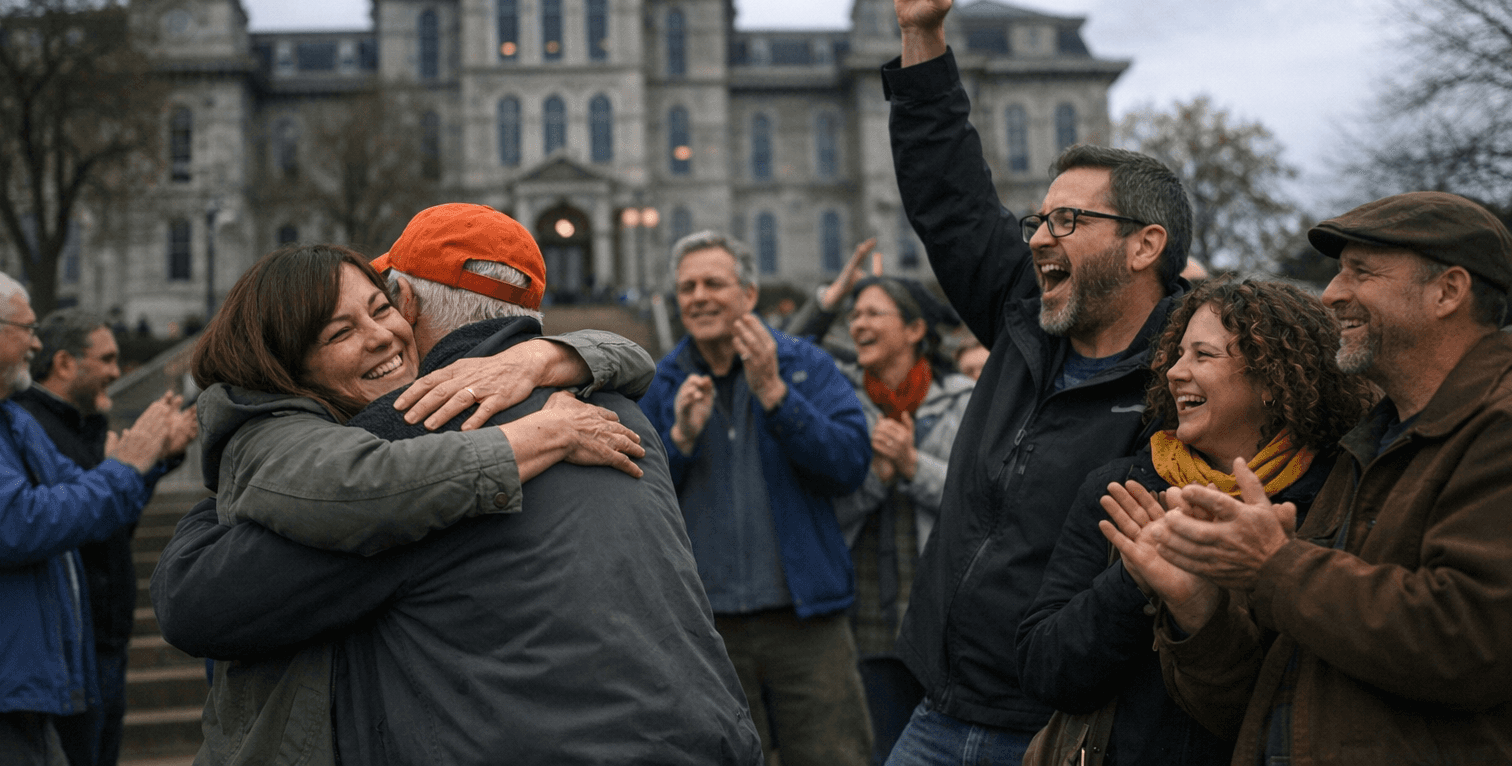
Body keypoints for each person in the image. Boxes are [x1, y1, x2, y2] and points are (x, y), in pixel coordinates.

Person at [156, 207, 761, 764]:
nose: (380, 332)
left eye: (382, 304)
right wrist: (558, 359)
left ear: (409, 303)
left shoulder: (420, 435)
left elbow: (202, 602)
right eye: (339, 330)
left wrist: (212, 513)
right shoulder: (620, 411)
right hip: (708, 737)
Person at [880, 0, 1194, 765]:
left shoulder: (1188, 382)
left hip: (1064, 733)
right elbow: (949, 196)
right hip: (938, 711)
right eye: (1038, 219)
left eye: (1068, 220)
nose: (1040, 237)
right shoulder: (1025, 318)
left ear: (1144, 245)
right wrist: (922, 37)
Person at [1105, 192, 1512, 764]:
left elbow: (1473, 645)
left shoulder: (1497, 428)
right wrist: (1198, 611)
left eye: (1361, 273)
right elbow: (1262, 702)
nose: (1331, 294)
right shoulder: (1367, 446)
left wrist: (1276, 565)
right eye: (1336, 273)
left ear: (1447, 291)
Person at [1016, 278, 1376, 766]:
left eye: (1203, 356)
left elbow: (1305, 697)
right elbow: (1046, 670)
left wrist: (1219, 595)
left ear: (1272, 380)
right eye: (1178, 354)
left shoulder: (1337, 497)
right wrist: (1132, 580)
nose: (1174, 372)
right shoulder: (1123, 487)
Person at [640, 230, 875, 766]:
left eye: (713, 284)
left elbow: (850, 466)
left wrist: (776, 394)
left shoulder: (805, 366)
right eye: (687, 287)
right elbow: (637, 504)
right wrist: (678, 443)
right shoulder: (660, 383)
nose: (698, 296)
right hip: (705, 631)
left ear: (749, 293)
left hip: (807, 624)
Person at [0, 269, 193, 766]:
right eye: (26, 329)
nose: (36, 343)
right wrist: (125, 468)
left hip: (34, 689)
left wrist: (146, 461)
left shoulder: (9, 419)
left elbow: (86, 502)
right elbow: (18, 524)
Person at [793, 256, 973, 764]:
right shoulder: (836, 398)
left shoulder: (965, 400)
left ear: (916, 328)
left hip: (940, 618)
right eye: (854, 315)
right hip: (860, 616)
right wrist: (879, 477)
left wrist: (914, 467)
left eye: (874, 314)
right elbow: (824, 508)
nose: (858, 325)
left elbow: (977, 503)